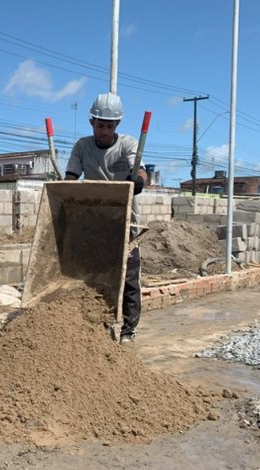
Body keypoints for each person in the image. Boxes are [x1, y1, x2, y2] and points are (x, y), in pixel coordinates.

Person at [65, 92, 148, 344]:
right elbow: (70, 178)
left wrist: (139, 181)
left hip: (125, 223)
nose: (104, 130)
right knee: (95, 277)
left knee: (129, 278)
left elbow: (142, 172)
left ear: (117, 125)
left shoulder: (127, 145)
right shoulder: (82, 147)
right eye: (100, 125)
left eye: (109, 125)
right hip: (95, 223)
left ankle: (128, 330)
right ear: (91, 122)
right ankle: (98, 323)